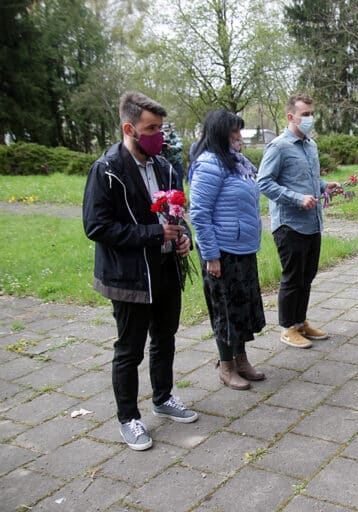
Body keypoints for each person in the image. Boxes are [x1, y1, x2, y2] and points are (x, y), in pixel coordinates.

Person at [82, 92, 198, 451]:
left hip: (165, 269)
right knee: (129, 349)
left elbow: (178, 216)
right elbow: (96, 226)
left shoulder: (165, 166)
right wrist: (152, 234)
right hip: (130, 278)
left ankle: (163, 397)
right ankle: (128, 418)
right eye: (150, 129)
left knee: (165, 338)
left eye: (161, 129)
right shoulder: (107, 170)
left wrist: (185, 239)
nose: (157, 136)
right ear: (129, 128)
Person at [189, 110, 267, 390]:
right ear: (219, 133)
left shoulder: (237, 163)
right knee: (224, 310)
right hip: (222, 251)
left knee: (242, 308)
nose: (239, 136)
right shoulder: (210, 164)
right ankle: (226, 366)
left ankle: (242, 359)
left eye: (239, 130)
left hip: (243, 248)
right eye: (233, 131)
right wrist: (211, 256)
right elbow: (199, 213)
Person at [257, 93, 339, 349]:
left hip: (313, 223)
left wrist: (325, 186)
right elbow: (264, 182)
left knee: (307, 275)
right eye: (305, 114)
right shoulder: (279, 147)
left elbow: (308, 180)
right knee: (292, 278)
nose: (310, 119)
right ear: (290, 116)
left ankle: (301, 322)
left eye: (312, 114)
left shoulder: (310, 145)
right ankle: (287, 328)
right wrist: (296, 198)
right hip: (289, 224)